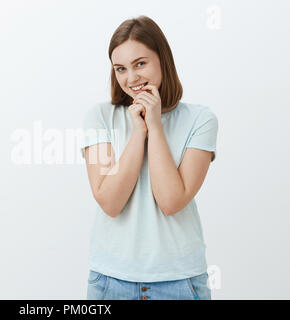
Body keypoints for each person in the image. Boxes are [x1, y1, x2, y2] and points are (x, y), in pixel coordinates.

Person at [80, 15, 218, 300]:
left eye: (140, 64)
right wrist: (138, 131)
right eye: (121, 69)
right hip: (110, 279)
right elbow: (110, 202)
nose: (131, 78)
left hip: (179, 280)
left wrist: (155, 126)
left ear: (162, 60)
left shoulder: (201, 120)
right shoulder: (100, 117)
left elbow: (171, 201)